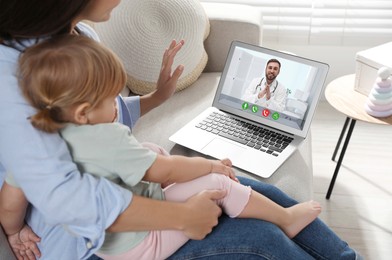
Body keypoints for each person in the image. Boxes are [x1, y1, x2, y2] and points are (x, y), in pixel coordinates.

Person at [0, 1, 362, 259]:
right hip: (94, 242)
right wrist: (184, 216)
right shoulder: (14, 76)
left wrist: (156, 98)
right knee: (261, 236)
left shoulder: (77, 34)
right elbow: (71, 197)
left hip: (130, 188)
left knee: (262, 191)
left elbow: (101, 122)